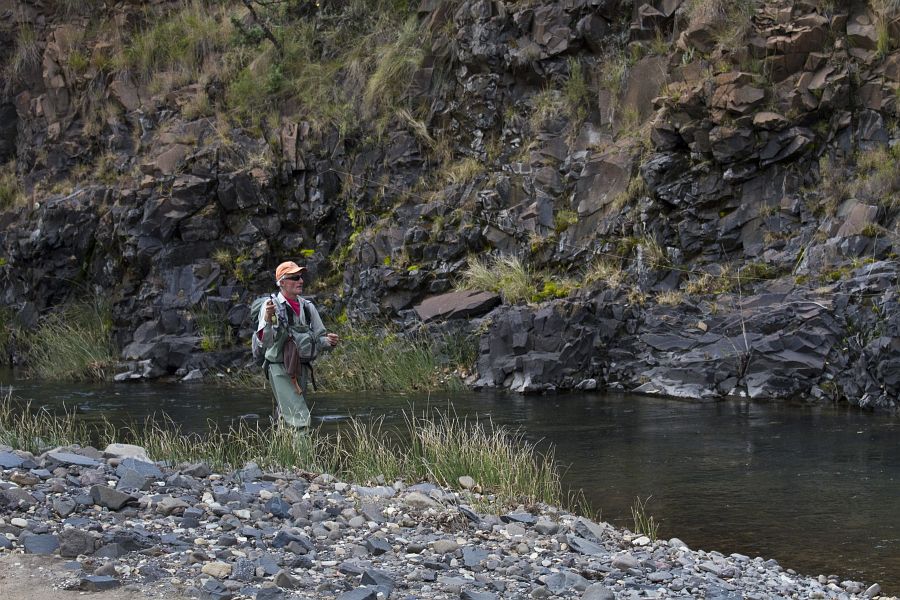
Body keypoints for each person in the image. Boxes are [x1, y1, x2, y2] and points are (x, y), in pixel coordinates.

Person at [256, 261, 338, 428]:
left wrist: (329, 341)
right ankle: (304, 455)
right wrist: (267, 320)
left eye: (300, 277)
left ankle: (279, 453)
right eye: (294, 277)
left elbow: (319, 338)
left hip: (301, 368)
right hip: (279, 368)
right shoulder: (270, 306)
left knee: (285, 419)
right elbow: (265, 342)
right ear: (282, 282)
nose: (300, 281)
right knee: (300, 418)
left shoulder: (308, 307)